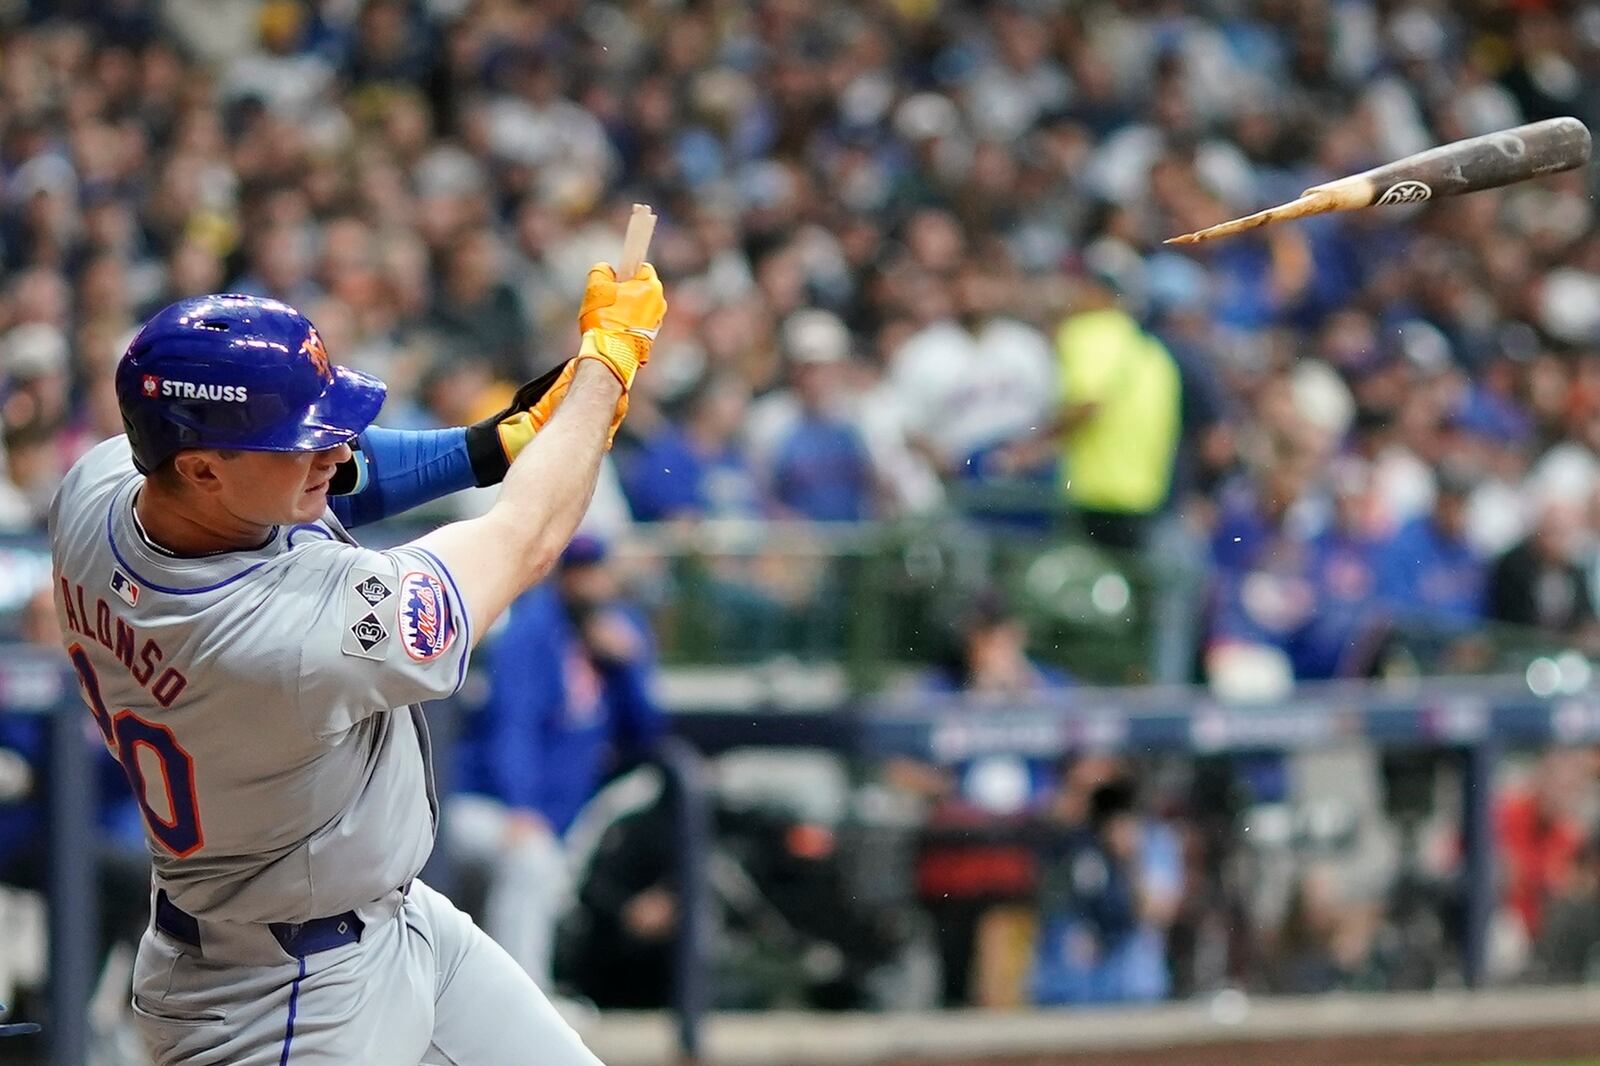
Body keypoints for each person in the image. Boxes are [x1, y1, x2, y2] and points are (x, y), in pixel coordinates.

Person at [47, 264, 666, 1066]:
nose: (331, 451)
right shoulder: (293, 636)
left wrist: (493, 443)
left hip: (390, 925)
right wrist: (604, 371)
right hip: (279, 1004)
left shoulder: (99, 488)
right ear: (200, 468)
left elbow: (323, 480)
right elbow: (527, 537)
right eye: (300, 440)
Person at [450, 534, 663, 989]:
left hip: (565, 815)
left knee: (541, 867)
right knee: (532, 861)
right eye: (578, 570)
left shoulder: (620, 631)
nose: (588, 582)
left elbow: (646, 732)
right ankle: (524, 1003)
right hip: (486, 804)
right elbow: (514, 728)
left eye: (596, 570)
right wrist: (521, 806)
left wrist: (627, 668)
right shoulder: (531, 631)